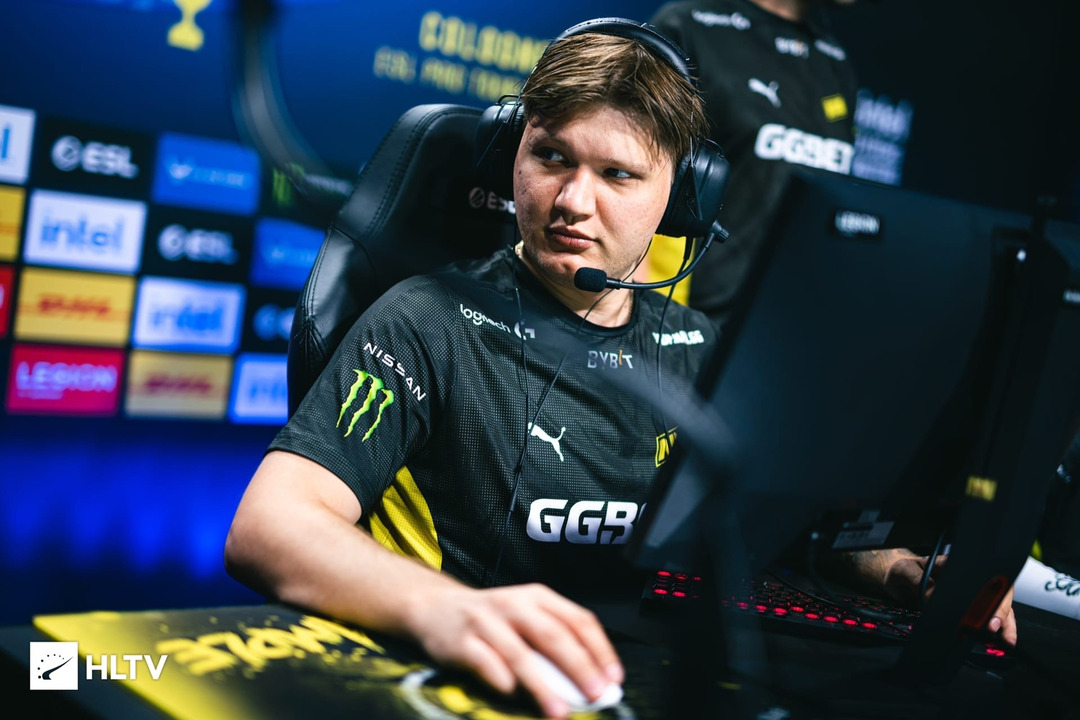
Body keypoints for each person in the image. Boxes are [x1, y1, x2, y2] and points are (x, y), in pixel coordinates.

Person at [225, 21, 721, 719]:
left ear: (682, 194)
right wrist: (444, 609)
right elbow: (268, 526)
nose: (573, 201)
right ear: (509, 153)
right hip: (456, 688)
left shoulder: (701, 349)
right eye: (551, 156)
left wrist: (855, 556)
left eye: (617, 174)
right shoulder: (427, 317)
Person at [645, 0, 859, 321]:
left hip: (795, 323)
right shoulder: (687, 26)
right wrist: (649, 321)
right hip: (691, 320)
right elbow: (635, 177)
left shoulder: (834, 59)